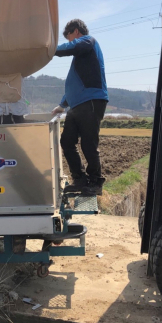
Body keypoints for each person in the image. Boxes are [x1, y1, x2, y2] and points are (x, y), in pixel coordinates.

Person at [51, 19, 108, 196]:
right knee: (67, 142)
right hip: (76, 105)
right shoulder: (80, 58)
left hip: (91, 101)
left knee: (88, 143)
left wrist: (49, 49)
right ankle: (80, 179)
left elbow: (74, 47)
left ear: (76, 32)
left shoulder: (88, 42)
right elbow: (75, 83)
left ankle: (95, 182)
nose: (69, 42)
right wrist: (62, 105)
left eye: (69, 38)